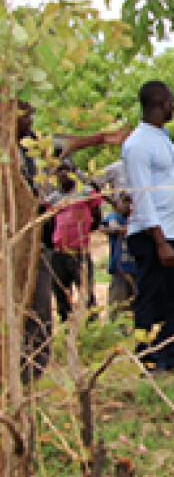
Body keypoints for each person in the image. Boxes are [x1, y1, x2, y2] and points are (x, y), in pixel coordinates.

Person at [17, 99, 128, 381]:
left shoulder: (32, 148)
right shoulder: (10, 154)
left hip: (37, 246)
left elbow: (61, 144)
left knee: (40, 310)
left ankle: (32, 374)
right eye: (25, 117)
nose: (31, 123)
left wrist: (102, 138)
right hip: (15, 245)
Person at [122, 80, 174, 373]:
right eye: (171, 101)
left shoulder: (161, 138)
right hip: (153, 235)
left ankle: (171, 354)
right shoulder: (137, 144)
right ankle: (148, 356)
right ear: (161, 103)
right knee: (150, 297)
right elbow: (142, 194)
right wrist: (159, 240)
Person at [49, 159, 103, 323]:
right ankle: (67, 328)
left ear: (74, 171)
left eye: (67, 169)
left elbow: (97, 215)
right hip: (59, 255)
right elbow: (50, 224)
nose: (63, 174)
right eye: (59, 170)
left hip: (80, 253)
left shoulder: (86, 193)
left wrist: (86, 230)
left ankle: (91, 330)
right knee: (61, 293)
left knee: (86, 294)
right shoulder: (53, 198)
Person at [101, 193, 137, 320]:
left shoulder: (138, 219)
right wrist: (123, 229)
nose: (127, 206)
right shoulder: (113, 217)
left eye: (130, 202)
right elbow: (106, 228)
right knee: (116, 309)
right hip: (120, 272)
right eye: (124, 202)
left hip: (138, 272)